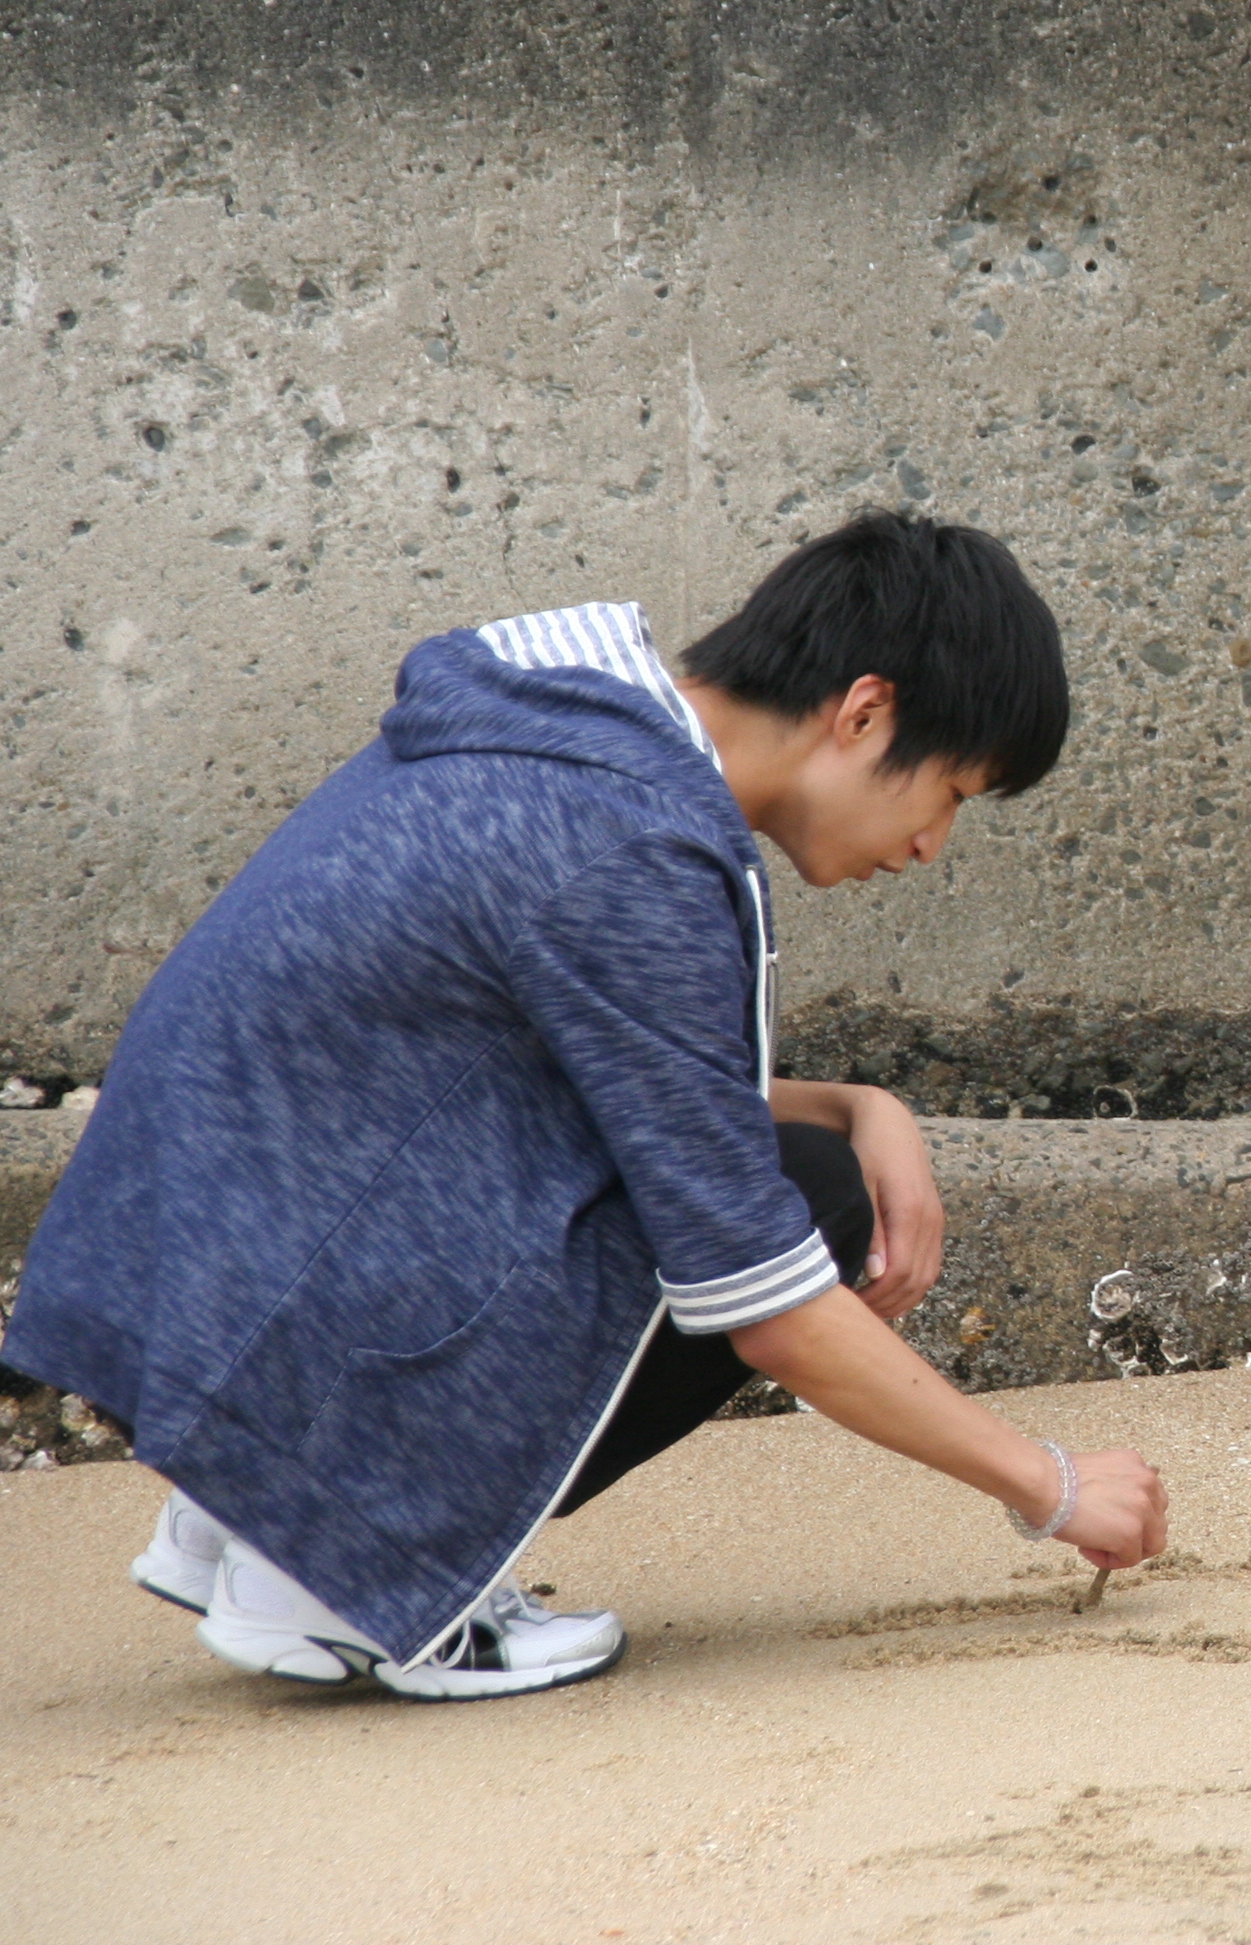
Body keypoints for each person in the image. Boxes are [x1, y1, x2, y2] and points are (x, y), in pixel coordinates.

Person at [2, 511, 1167, 1697]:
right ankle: (340, 1564)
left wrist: (863, 1105)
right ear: (864, 714)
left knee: (798, 1153)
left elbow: (618, 1072)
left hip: (198, 1284)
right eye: (953, 792)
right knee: (804, 1201)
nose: (932, 845)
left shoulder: (570, 747)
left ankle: (259, 1517)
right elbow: (761, 1296)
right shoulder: (631, 844)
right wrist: (1050, 1484)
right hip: (258, 1293)